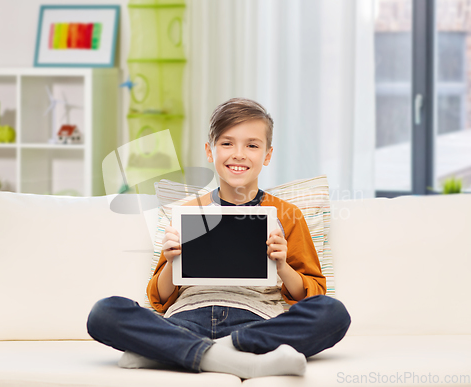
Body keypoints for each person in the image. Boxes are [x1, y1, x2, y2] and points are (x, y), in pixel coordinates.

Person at [86, 98, 351, 379]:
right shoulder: (187, 212)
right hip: (187, 319)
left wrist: (282, 265)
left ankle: (182, 352)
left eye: (252, 145)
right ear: (209, 152)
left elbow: (311, 294)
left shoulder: (286, 214)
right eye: (227, 143)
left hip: (254, 325)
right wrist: (172, 261)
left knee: (332, 314)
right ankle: (235, 360)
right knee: (105, 312)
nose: (238, 154)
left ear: (267, 155)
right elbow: (160, 299)